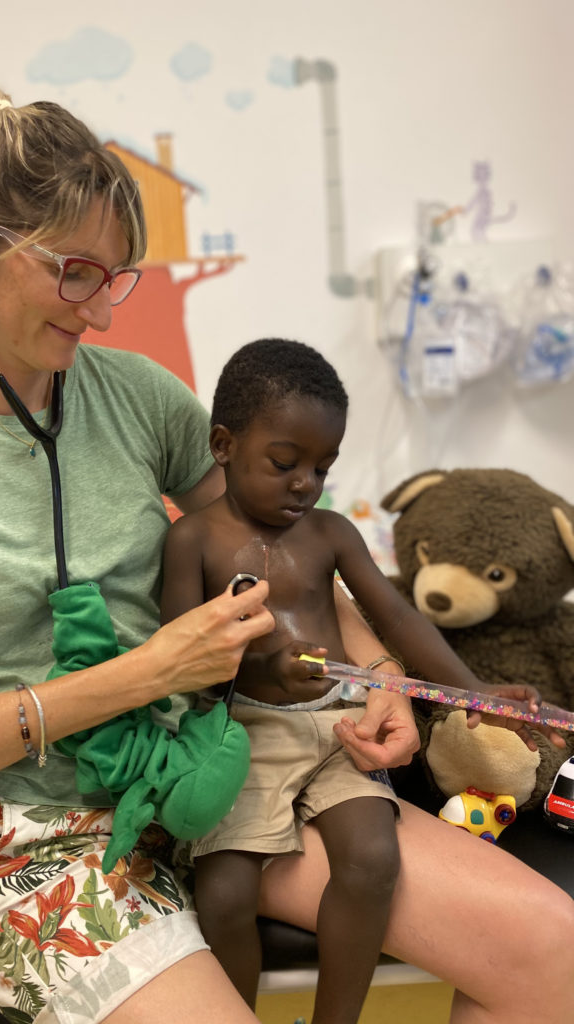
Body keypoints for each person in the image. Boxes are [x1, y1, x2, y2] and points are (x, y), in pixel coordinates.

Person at [0, 85, 571, 1024]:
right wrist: (147, 672)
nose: (102, 314)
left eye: (116, 276)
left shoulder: (137, 396)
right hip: (35, 836)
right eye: (74, 273)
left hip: (226, 774)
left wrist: (375, 674)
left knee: (551, 949)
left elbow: (289, 569)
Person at [159, 336, 568, 1024]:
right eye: (285, 463)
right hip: (240, 734)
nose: (305, 485)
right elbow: (181, 668)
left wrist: (473, 692)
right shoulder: (190, 542)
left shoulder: (331, 534)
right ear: (223, 445)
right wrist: (253, 664)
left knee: (373, 859)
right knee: (224, 894)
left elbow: (398, 617)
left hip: (335, 725)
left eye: (323, 467)